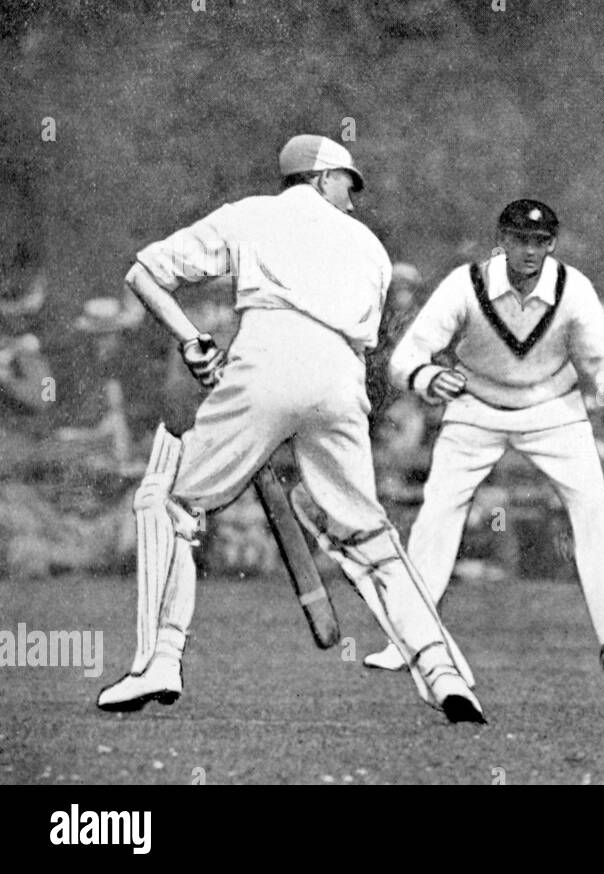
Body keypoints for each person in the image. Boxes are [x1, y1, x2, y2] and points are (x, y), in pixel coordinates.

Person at [95, 134, 485, 723]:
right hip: (341, 382)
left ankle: (159, 661)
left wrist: (194, 342)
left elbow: (143, 273)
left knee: (168, 502)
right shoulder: (373, 248)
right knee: (367, 535)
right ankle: (443, 672)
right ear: (323, 178)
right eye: (348, 186)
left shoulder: (251, 214)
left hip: (268, 359)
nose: (353, 202)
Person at [369, 199, 604, 674]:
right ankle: (407, 642)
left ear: (553, 245)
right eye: (520, 240)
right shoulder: (466, 284)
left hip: (554, 409)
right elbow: (406, 358)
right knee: (438, 513)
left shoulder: (572, 287)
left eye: (540, 242)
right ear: (500, 241)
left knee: (593, 511)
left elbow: (603, 350)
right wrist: (426, 378)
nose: (529, 251)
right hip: (474, 407)